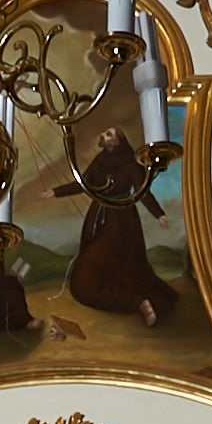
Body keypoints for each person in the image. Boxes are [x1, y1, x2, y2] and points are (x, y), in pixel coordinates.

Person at [63, 130, 177, 328]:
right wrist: (55, 192)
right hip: (98, 218)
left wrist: (159, 214)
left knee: (92, 281)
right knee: (83, 281)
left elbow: (143, 192)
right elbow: (84, 183)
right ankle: (132, 299)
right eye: (103, 134)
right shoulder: (100, 160)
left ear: (119, 140)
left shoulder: (131, 163)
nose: (103, 136)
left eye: (109, 134)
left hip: (121, 223)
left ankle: (138, 303)